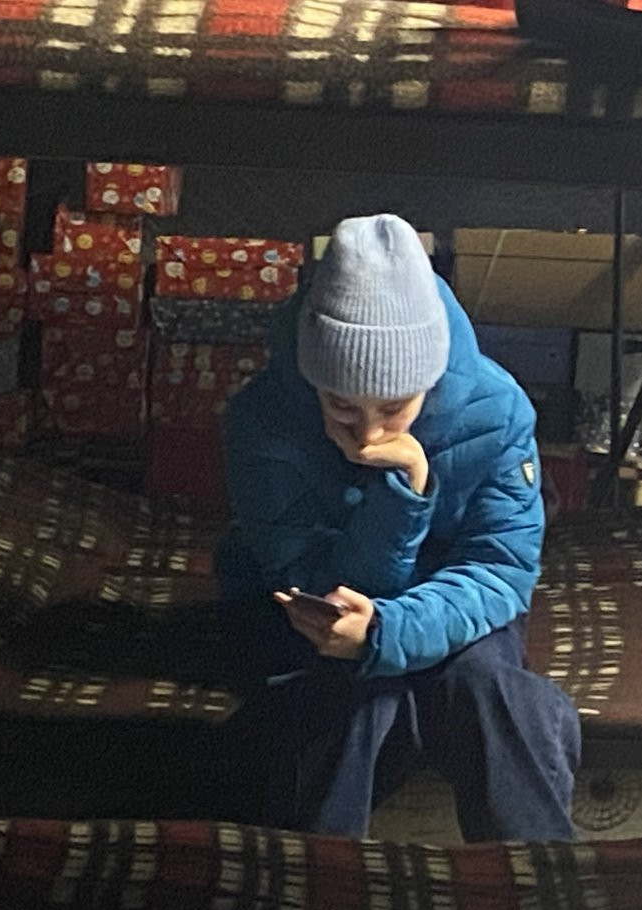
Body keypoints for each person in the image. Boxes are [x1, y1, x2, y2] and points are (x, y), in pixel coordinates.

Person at [217, 213, 580, 841]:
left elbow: (499, 571)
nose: (368, 434)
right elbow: (305, 576)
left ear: (430, 379)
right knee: (343, 700)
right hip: (317, 606)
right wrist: (398, 502)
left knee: (490, 689)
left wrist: (388, 631)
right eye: (341, 405)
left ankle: (542, 878)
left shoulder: (497, 410)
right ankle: (311, 879)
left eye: (394, 408)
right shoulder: (263, 420)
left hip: (451, 595)